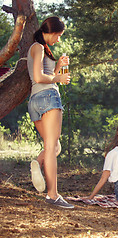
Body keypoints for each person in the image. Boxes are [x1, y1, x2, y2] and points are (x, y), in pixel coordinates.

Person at [27, 16, 73, 208]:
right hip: (48, 98)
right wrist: (58, 80)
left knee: (53, 147)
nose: (58, 40)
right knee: (52, 148)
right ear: (51, 32)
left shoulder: (39, 49)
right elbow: (39, 77)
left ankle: (37, 163)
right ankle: (52, 195)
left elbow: (45, 75)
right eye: (59, 36)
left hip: (35, 101)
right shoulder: (37, 47)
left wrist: (58, 68)